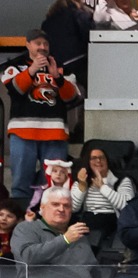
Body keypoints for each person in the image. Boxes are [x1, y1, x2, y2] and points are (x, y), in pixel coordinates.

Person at [3, 29, 83, 200]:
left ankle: (46, 221)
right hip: (23, 132)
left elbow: (73, 97)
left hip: (55, 133)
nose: (42, 47)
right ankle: (21, 224)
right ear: (28, 45)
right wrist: (32, 70)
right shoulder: (14, 65)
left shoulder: (61, 67)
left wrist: (58, 78)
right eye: (38, 43)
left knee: (53, 184)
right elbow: (15, 89)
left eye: (45, 44)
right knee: (20, 185)